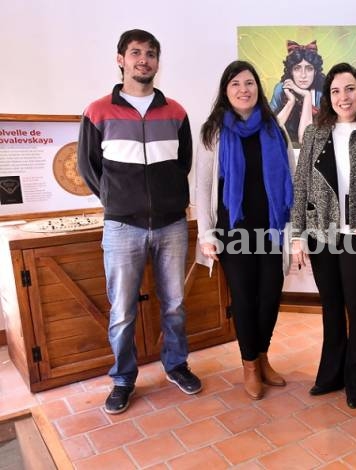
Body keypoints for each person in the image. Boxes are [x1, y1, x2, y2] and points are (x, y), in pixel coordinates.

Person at [77, 29, 200, 415]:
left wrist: (168, 202)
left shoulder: (176, 112)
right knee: (122, 311)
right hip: (121, 227)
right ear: (120, 59)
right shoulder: (98, 111)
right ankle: (123, 379)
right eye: (135, 53)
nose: (143, 60)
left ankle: (177, 365)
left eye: (150, 54)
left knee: (175, 304)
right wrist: (118, 202)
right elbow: (88, 167)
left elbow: (184, 165)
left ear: (157, 62)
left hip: (171, 224)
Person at [195, 60, 294, 400]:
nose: (243, 89)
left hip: (270, 230)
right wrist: (206, 234)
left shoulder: (275, 130)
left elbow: (289, 181)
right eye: (235, 83)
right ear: (226, 90)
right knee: (244, 300)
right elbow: (203, 185)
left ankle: (263, 356)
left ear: (258, 88)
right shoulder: (213, 132)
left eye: (249, 82)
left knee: (269, 296)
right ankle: (249, 365)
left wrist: (293, 230)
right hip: (232, 231)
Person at [290, 63, 356, 409]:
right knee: (331, 307)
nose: (343, 97)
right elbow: (301, 187)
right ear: (328, 97)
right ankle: (331, 375)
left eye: (349, 89)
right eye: (335, 91)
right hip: (321, 234)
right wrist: (297, 235)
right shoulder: (315, 134)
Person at [270, 40, 326, 146]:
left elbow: (305, 140)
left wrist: (306, 95)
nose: (303, 75)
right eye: (297, 68)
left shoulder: (322, 92)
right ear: (291, 71)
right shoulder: (280, 89)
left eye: (309, 69)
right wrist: (290, 101)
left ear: (315, 72)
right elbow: (271, 131)